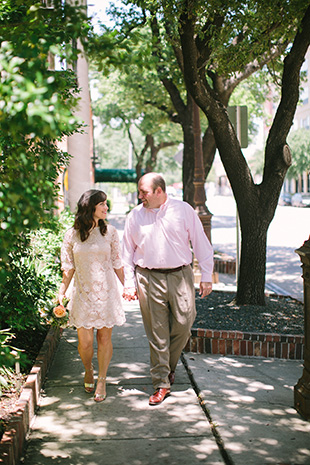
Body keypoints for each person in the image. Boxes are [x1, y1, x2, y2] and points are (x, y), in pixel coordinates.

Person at [122, 173, 213, 406]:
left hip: (180, 275)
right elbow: (126, 253)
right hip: (148, 278)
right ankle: (161, 382)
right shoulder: (135, 216)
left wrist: (206, 275)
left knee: (185, 323)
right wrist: (129, 284)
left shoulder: (183, 211)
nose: (140, 196)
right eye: (140, 192)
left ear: (160, 191)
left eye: (145, 192)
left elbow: (201, 243)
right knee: (157, 333)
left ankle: (169, 366)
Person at [57, 189, 125, 402]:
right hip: (83, 293)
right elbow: (68, 268)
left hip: (106, 293)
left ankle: (102, 379)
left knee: (104, 338)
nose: (106, 208)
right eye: (102, 204)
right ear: (90, 207)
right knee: (85, 343)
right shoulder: (72, 234)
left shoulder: (111, 232)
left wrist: (129, 287)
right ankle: (88, 369)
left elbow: (117, 263)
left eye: (106, 204)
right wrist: (61, 292)